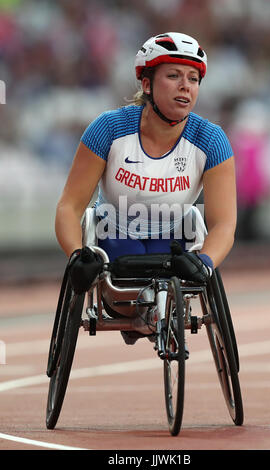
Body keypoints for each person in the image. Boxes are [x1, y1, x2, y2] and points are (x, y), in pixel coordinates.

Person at [55, 32, 237, 341]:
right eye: (174, 75)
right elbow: (69, 207)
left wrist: (205, 263)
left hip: (175, 237)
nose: (186, 86)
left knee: (171, 286)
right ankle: (142, 317)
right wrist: (76, 255)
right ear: (147, 84)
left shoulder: (211, 140)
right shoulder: (108, 129)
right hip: (116, 232)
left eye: (194, 78)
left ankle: (156, 314)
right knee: (128, 289)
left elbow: (223, 223)